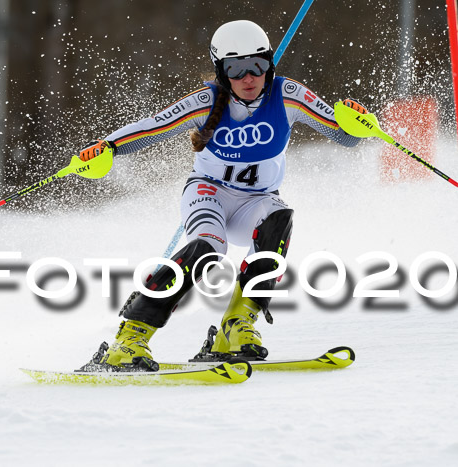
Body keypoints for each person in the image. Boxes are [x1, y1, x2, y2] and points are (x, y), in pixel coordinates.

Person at [78, 20, 367, 371]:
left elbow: (346, 136)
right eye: (236, 68)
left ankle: (235, 328)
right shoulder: (206, 101)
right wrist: (107, 146)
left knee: (279, 218)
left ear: (269, 64)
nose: (249, 77)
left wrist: (355, 121)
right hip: (209, 193)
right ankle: (129, 339)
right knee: (209, 248)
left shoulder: (287, 94)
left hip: (256, 200)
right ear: (221, 71)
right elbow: (152, 127)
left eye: (258, 65)